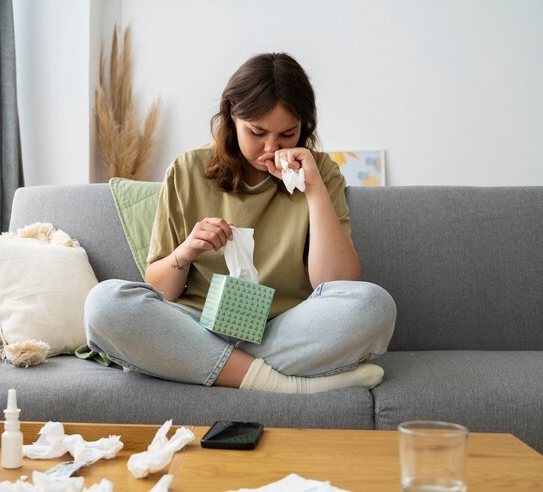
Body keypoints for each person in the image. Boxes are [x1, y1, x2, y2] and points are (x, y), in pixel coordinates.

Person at [85, 53, 396, 394]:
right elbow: (162, 290)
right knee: (104, 304)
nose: (270, 148)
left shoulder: (319, 173)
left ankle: (215, 367)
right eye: (257, 132)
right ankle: (283, 384)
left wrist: (313, 190)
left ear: (304, 128)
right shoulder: (187, 170)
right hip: (199, 326)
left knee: (373, 305)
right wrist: (188, 250)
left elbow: (339, 285)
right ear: (232, 115)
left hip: (284, 329)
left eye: (287, 134)